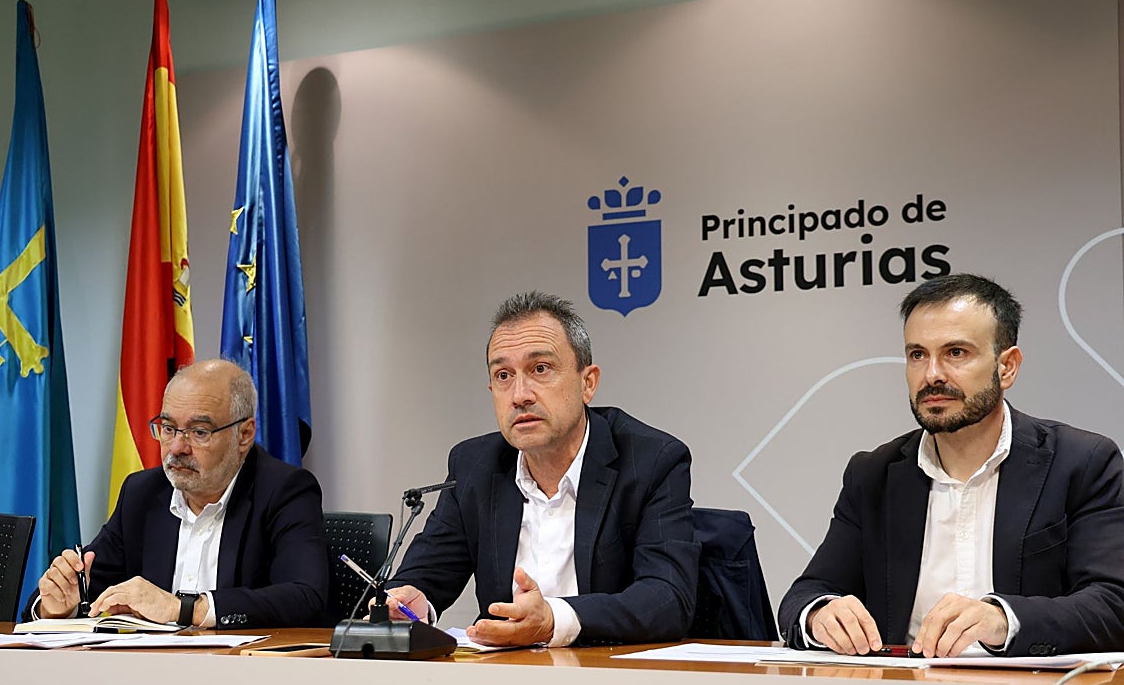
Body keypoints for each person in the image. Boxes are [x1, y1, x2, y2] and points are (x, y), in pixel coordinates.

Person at [779, 274, 1124, 657]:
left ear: (1007, 367)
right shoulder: (873, 474)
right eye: (917, 355)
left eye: (956, 353)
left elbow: (1112, 605)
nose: (932, 375)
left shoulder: (1081, 462)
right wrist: (821, 615)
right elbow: (803, 596)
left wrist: (1003, 619)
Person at [384, 292, 700, 647]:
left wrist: (554, 620)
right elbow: (428, 574)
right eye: (503, 375)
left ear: (588, 383)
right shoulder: (474, 464)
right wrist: (412, 601)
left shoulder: (651, 460)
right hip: (506, 680)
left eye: (540, 369)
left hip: (610, 678)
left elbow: (667, 598)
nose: (520, 395)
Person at [31, 359, 328, 628]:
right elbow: (87, 586)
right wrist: (57, 607)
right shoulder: (142, 494)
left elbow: (305, 596)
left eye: (199, 432)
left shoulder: (285, 491)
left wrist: (182, 609)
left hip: (243, 675)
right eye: (169, 428)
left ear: (245, 434)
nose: (176, 448)